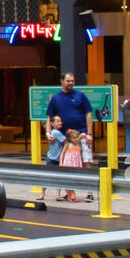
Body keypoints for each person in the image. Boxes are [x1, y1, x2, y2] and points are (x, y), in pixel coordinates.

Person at [46, 73, 92, 202]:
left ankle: (89, 192)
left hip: (82, 134)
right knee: (68, 164)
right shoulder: (55, 98)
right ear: (61, 81)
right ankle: (70, 192)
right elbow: (49, 117)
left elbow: (88, 114)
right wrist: (48, 133)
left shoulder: (80, 95)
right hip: (65, 138)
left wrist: (89, 134)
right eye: (68, 81)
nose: (70, 83)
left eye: (72, 81)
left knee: (86, 162)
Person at [36, 113, 66, 202]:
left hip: (51, 157)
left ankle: (43, 194)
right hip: (55, 158)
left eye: (60, 121)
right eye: (57, 121)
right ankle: (57, 195)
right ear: (52, 123)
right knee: (58, 176)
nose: (60, 123)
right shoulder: (56, 133)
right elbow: (66, 141)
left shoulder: (52, 133)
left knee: (47, 175)